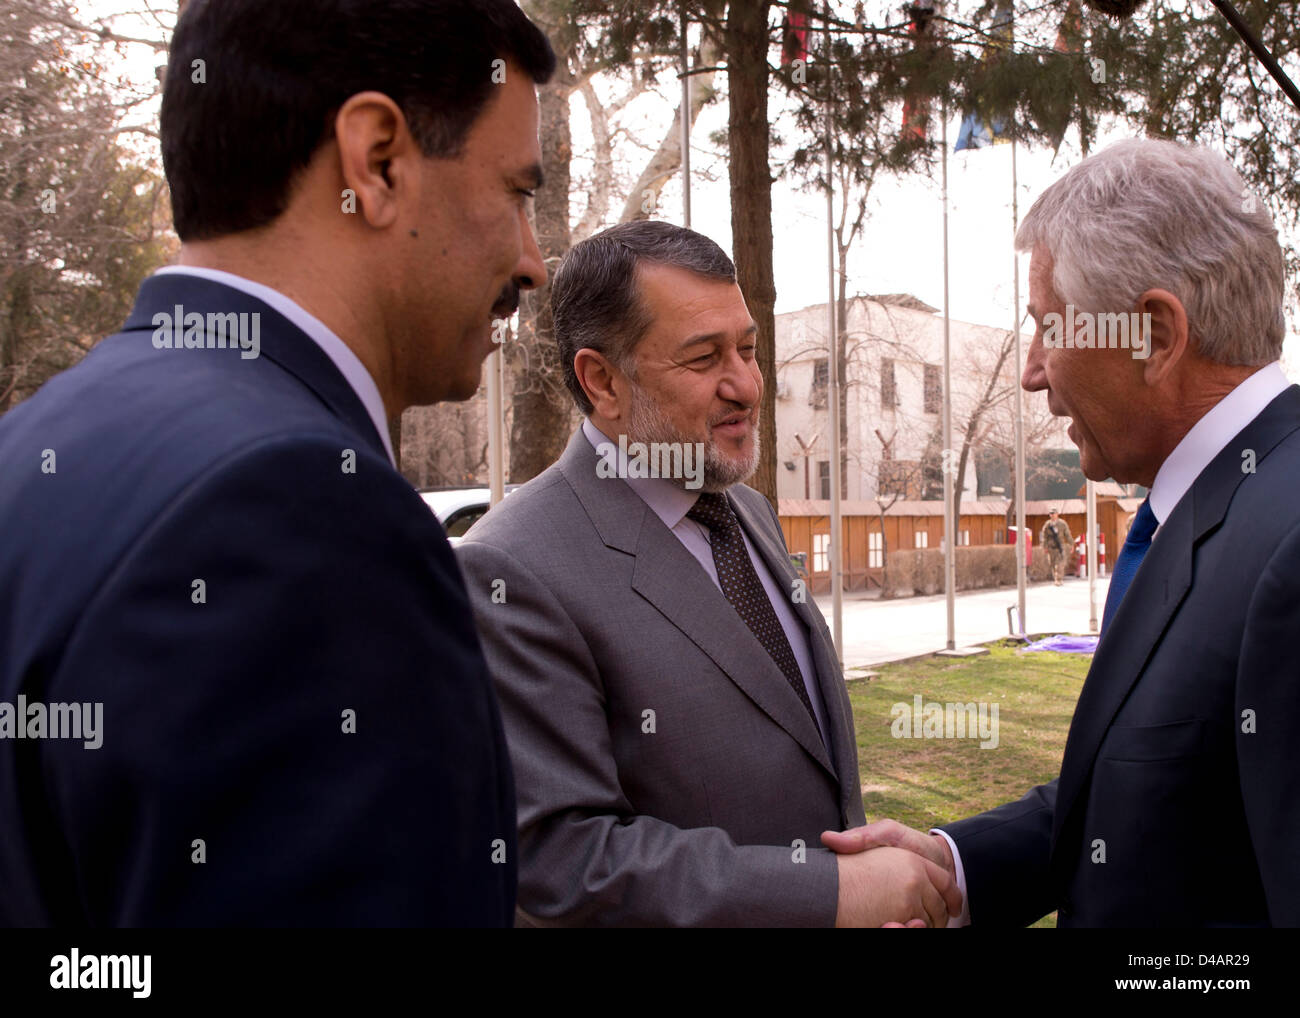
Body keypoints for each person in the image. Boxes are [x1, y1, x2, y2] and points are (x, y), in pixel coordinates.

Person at [0, 0, 554, 926]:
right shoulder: (303, 515)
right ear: (377, 160)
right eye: (518, 192)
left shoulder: (37, 444)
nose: (532, 263)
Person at [824, 138, 1300, 926]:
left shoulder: (1286, 549)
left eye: (1050, 327)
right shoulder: (1195, 512)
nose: (1031, 370)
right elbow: (1149, 799)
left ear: (1152, 335)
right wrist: (958, 867)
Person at [457, 221, 960, 927]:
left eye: (749, 350)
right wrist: (830, 895)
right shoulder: (510, 569)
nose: (748, 386)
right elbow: (561, 863)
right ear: (601, 381)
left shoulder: (746, 510)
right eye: (704, 359)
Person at [1039, 508, 1073, 585]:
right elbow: (1044, 537)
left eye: (1054, 513)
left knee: (1060, 564)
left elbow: (1067, 534)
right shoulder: (1047, 525)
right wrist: (1044, 547)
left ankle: (1059, 579)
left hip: (1060, 546)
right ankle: (1056, 578)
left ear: (1057, 514)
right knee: (1053, 564)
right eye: (1051, 513)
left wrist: (1071, 544)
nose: (1052, 515)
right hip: (1051, 548)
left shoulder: (1062, 524)